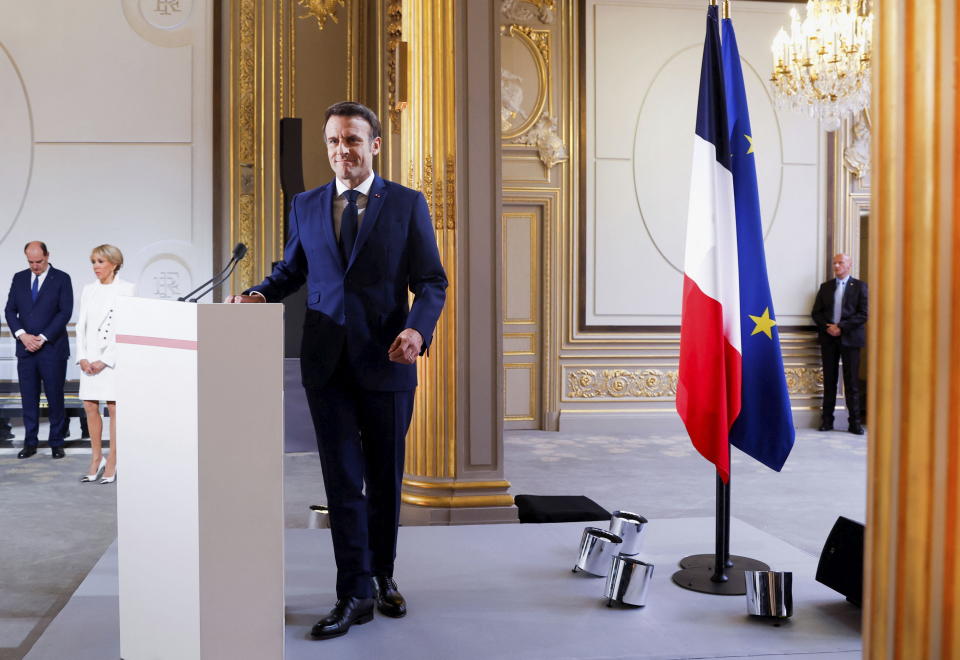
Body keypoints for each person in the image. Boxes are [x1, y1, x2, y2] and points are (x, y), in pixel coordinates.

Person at [226, 101, 447, 640]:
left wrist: (417, 330)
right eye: (332, 142)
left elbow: (432, 281)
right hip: (326, 365)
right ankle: (353, 592)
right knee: (343, 481)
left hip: (388, 362)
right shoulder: (305, 204)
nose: (341, 151)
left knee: (384, 478)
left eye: (351, 140)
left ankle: (383, 574)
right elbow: (291, 270)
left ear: (374, 145)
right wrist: (258, 292)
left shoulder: (408, 204)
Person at [4, 242, 73, 459]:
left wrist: (42, 338)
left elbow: (65, 312)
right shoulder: (19, 278)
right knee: (29, 397)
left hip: (52, 348)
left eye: (39, 261)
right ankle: (30, 443)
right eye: (31, 262)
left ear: (47, 256)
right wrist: (22, 335)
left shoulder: (62, 278)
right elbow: (9, 310)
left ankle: (56, 442)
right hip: (25, 349)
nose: (35, 266)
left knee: (55, 396)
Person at [75, 245, 135, 484]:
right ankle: (96, 458)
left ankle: (113, 459)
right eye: (93, 262)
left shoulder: (127, 289)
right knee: (90, 405)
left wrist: (105, 360)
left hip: (111, 361)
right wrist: (82, 357)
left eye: (100, 261)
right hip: (89, 360)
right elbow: (81, 326)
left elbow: (125, 329)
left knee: (113, 408)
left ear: (114, 263)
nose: (95, 267)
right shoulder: (88, 290)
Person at [811, 253, 868, 434]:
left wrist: (841, 327)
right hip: (829, 340)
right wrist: (828, 327)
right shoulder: (826, 287)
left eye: (840, 263)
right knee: (829, 381)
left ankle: (855, 423)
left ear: (849, 265)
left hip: (850, 339)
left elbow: (863, 314)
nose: (836, 266)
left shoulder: (860, 286)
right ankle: (827, 421)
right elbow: (816, 313)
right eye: (834, 263)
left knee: (851, 383)